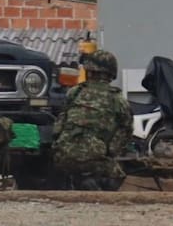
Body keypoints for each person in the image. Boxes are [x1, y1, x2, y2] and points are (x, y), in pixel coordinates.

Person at [52, 49, 133, 191]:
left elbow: (59, 124)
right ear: (111, 73)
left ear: (88, 70)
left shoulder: (74, 92)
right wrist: (110, 151)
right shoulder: (117, 99)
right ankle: (95, 190)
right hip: (95, 160)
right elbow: (126, 131)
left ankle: (79, 182)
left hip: (63, 157)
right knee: (117, 174)